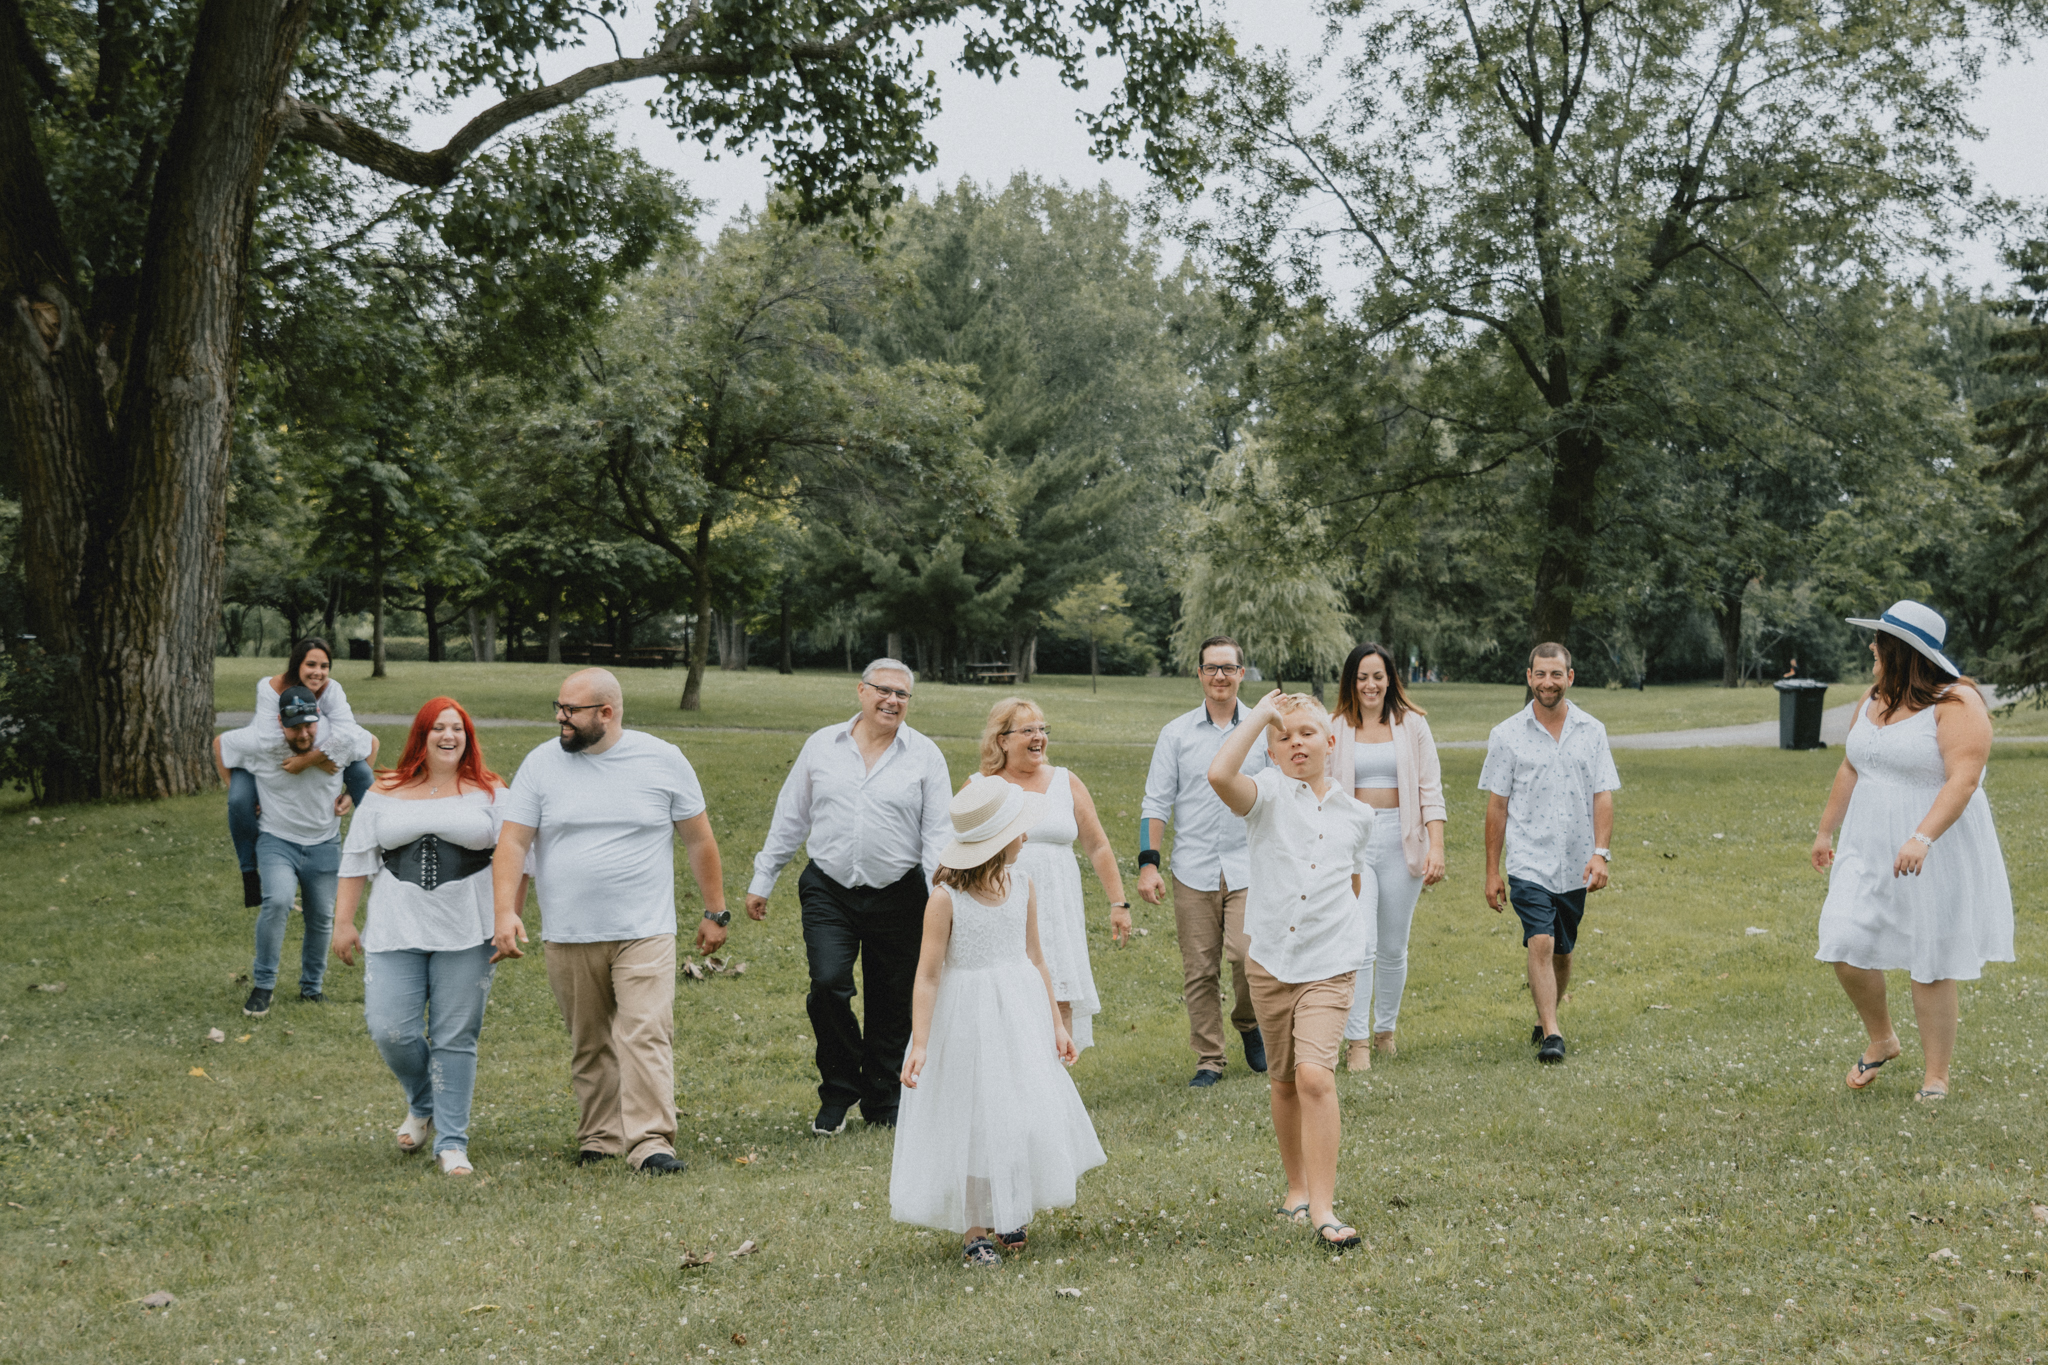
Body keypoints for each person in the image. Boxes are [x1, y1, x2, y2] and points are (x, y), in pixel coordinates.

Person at [489, 668, 728, 1174]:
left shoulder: (662, 759)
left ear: (606, 712)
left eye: (571, 710)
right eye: (558, 707)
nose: (561, 718)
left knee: (646, 1032)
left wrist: (715, 912)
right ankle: (600, 1138)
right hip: (569, 931)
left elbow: (699, 839)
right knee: (590, 1039)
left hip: (645, 928)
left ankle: (651, 1143)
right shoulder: (541, 764)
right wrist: (505, 912)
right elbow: (512, 841)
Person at [891, 775, 1106, 1267]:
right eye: (1018, 830)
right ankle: (974, 1228)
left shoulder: (1022, 884)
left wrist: (1056, 1025)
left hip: (1020, 1014)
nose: (1026, 836)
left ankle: (1010, 1207)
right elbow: (928, 975)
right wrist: (921, 1043)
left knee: (1018, 1110)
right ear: (995, 840)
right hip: (966, 1018)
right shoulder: (945, 899)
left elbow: (1036, 959)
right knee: (975, 1118)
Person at [1811, 601, 2014, 1102]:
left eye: (1880, 641)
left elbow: (1964, 779)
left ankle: (1936, 1076)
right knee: (1842, 937)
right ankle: (1882, 1038)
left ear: (1902, 651)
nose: (1872, 647)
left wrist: (1922, 837)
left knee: (1931, 956)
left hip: (1933, 844)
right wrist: (1825, 831)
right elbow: (1851, 766)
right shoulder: (1873, 698)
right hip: (1866, 841)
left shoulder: (1957, 703)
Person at [747, 659, 952, 1135]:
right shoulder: (822, 745)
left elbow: (937, 835)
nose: (892, 701)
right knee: (828, 984)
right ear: (861, 691)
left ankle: (883, 1098)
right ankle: (839, 1090)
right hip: (829, 889)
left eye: (902, 694)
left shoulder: (925, 755)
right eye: (883, 690)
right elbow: (791, 815)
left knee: (892, 999)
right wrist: (763, 878)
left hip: (900, 893)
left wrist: (939, 901)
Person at [1208, 691, 1375, 1250]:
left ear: (1330, 742)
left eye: (1307, 733)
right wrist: (1260, 715)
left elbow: (1352, 881)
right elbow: (1218, 774)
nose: (1296, 743)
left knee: (1314, 1077)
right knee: (1282, 1080)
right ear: (1271, 751)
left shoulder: (1358, 816)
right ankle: (1297, 1188)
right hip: (1271, 960)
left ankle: (1324, 1208)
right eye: (1284, 737)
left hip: (1331, 961)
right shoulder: (1266, 796)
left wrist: (1336, 934)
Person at [332, 696, 516, 1177]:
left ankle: (451, 1142)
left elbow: (514, 858)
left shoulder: (490, 791)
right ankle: (423, 1101)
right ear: (422, 735)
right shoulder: (385, 790)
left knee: (455, 1036)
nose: (448, 736)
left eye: (457, 728)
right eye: (438, 728)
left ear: (467, 737)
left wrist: (508, 917)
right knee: (390, 1029)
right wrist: (343, 922)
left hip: (468, 928)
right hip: (396, 926)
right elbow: (356, 857)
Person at [1138, 635, 1270, 1087]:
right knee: (1199, 969)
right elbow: (1156, 803)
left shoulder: (1262, 729)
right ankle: (1209, 1059)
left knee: (1249, 956)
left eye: (1228, 668)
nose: (1219, 676)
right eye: (1211, 668)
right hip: (1193, 869)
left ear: (1241, 673)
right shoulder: (1175, 734)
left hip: (1250, 865)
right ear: (1199, 674)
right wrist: (1148, 864)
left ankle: (1249, 1023)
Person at [1479, 643, 1620, 1065]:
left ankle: (1545, 1016)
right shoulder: (1507, 735)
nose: (1548, 682)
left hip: (1576, 863)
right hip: (1529, 860)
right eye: (1540, 674)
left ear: (1569, 677)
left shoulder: (1592, 731)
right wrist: (1492, 871)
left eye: (1556, 674)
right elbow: (1497, 807)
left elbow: (1602, 795)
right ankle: (1553, 1034)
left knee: (1562, 949)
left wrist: (1600, 854)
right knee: (1540, 939)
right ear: (1529, 677)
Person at [976, 697, 1132, 1051]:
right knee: (1008, 994)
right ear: (1002, 740)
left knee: (1059, 995)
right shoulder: (981, 787)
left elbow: (1098, 846)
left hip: (1057, 907)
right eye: (1027, 730)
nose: (1039, 737)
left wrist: (1118, 903)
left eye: (1042, 729)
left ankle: (1058, 1073)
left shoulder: (1065, 781)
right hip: (1002, 907)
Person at [212, 685, 369, 1017]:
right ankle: (263, 986)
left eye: (309, 725)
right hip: (276, 841)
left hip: (324, 842)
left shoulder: (337, 740)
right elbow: (221, 745)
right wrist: (237, 792)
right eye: (294, 727)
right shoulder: (261, 742)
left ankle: (312, 988)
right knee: (278, 901)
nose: (303, 733)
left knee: (321, 917)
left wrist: (349, 793)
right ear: (280, 723)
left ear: (319, 718)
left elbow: (372, 745)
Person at [1327, 642, 1446, 1070]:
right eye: (1362, 677)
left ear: (1390, 680)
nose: (1370, 685)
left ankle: (1385, 1033)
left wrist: (1436, 846)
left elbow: (1430, 788)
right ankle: (1356, 1041)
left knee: (1394, 947)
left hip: (1402, 838)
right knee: (1361, 944)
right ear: (1351, 682)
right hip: (1353, 842)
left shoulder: (1412, 724)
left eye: (1378, 676)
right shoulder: (1335, 726)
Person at [226, 637, 377, 907]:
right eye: (311, 664)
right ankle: (249, 871)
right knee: (239, 800)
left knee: (364, 777)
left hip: (315, 748)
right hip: (263, 753)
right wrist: (314, 760)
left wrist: (321, 765)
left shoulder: (331, 690)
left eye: (324, 666)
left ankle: (381, 851)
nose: (318, 672)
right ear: (297, 664)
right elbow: (271, 743)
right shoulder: (270, 688)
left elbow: (357, 737)